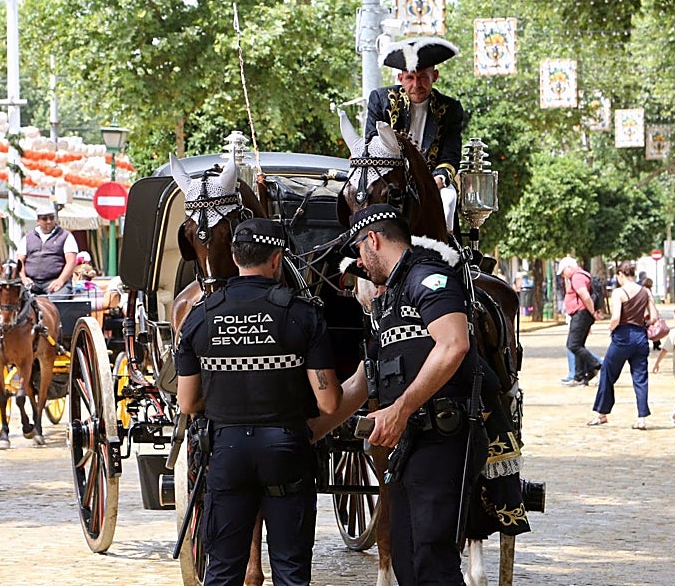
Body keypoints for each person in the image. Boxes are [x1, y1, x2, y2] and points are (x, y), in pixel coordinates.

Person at [175, 218, 340, 586]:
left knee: (222, 571)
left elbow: (187, 402)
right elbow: (329, 403)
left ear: (234, 257)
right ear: (277, 259)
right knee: (291, 570)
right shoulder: (302, 314)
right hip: (285, 449)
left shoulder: (200, 316)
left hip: (227, 450)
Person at [343, 204, 478, 584]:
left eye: (357, 250)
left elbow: (454, 344)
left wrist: (399, 410)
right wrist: (311, 429)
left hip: (438, 440)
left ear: (372, 239)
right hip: (406, 448)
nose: (359, 261)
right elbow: (360, 381)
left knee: (432, 562)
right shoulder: (389, 299)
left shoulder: (428, 276)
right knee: (406, 560)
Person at [365, 36, 467, 190]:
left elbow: (450, 156)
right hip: (388, 181)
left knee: (448, 200)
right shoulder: (380, 100)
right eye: (410, 78)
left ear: (435, 76)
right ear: (400, 78)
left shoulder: (450, 109)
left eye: (422, 77)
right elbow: (371, 143)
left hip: (433, 183)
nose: (416, 84)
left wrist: (436, 182)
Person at [588, 262, 660, 430]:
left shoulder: (619, 292)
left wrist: (610, 329)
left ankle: (602, 413)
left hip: (623, 337)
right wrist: (644, 323)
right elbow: (654, 316)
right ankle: (641, 418)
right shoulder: (645, 291)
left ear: (620, 274)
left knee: (607, 372)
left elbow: (616, 317)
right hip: (640, 337)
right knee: (640, 378)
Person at [558, 257, 603, 386]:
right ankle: (579, 376)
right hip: (581, 314)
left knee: (573, 345)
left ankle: (598, 365)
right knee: (578, 345)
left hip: (581, 314)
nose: (562, 275)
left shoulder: (577, 277)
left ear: (569, 267)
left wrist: (592, 312)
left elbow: (585, 296)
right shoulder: (581, 275)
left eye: (563, 272)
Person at [18, 204, 78, 296]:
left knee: (55, 304)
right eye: (45, 219)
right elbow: (20, 261)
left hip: (55, 281)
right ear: (38, 221)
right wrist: (24, 278)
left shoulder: (65, 236)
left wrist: (60, 280)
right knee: (14, 301)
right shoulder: (27, 237)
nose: (49, 221)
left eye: (51, 218)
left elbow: (71, 262)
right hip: (31, 282)